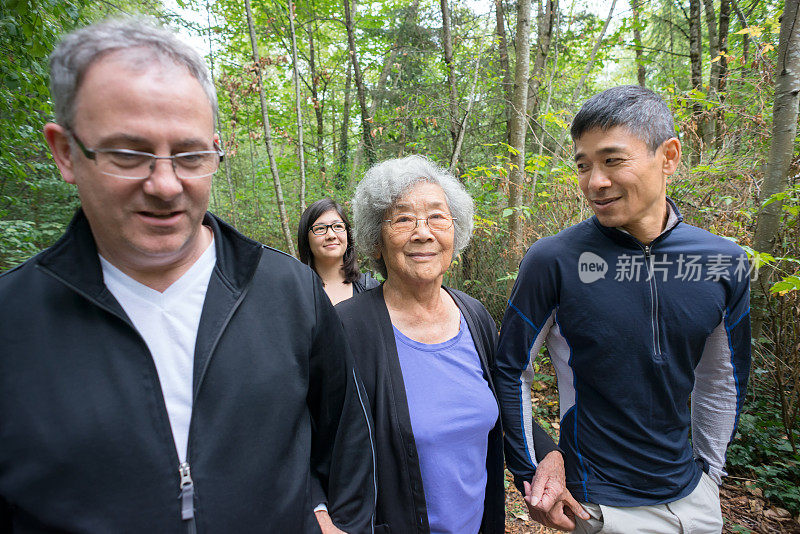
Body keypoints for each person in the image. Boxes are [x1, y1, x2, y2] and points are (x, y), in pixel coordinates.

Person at [0, 18, 374, 533]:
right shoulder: (12, 322)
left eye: (190, 154)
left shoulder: (288, 292)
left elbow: (348, 444)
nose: (165, 184)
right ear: (66, 152)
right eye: (128, 154)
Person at [495, 85, 751, 533]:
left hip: (694, 500)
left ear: (668, 157)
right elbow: (511, 369)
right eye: (583, 165)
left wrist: (711, 475)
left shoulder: (721, 261)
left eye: (613, 160)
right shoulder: (554, 259)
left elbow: (722, 378)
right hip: (598, 504)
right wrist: (530, 471)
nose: (595, 181)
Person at [336, 155, 583, 533]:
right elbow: (314, 440)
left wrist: (548, 456)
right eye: (403, 219)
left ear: (456, 231)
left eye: (438, 217)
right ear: (376, 240)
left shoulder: (474, 315)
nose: (423, 232)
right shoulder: (347, 327)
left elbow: (504, 401)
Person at [297, 198, 379, 304]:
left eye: (338, 226)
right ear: (306, 239)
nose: (331, 235)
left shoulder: (371, 289)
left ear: (348, 236)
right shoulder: (294, 292)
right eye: (320, 228)